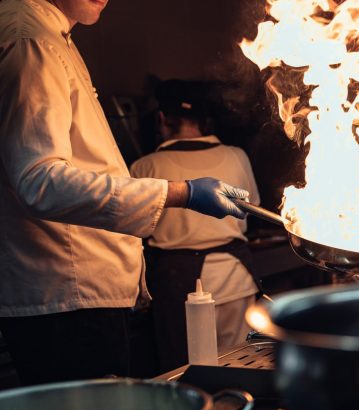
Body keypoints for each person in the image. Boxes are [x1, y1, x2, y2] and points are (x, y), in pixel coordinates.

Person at [0, 0, 249, 385]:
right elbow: (39, 181)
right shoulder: (30, 40)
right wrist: (182, 193)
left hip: (79, 297)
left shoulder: (52, 35)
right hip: (67, 299)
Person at [130, 79, 261, 371]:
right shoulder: (236, 155)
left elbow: (133, 230)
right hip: (234, 278)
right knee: (241, 366)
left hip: (178, 285)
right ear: (205, 120)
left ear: (161, 119)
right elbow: (250, 209)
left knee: (187, 371)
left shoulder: (145, 166)